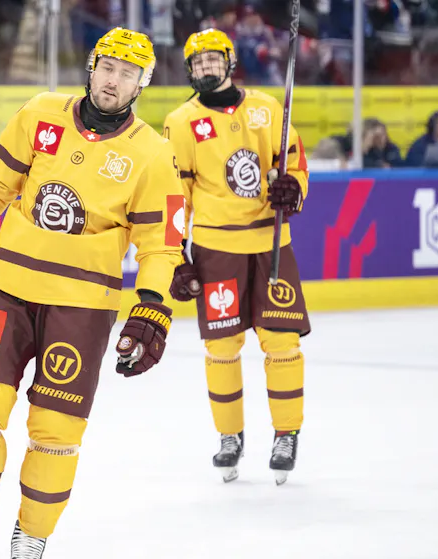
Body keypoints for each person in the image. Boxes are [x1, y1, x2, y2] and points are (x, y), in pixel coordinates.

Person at [0, 27, 183, 559]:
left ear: (142, 85)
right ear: (91, 68)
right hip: (7, 288)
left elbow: (160, 246)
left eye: (128, 74)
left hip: (82, 306)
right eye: (108, 68)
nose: (114, 82)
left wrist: (152, 308)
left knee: (55, 429)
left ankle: (31, 535)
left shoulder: (154, 155)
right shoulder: (41, 112)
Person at [161, 28, 310, 486]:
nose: (205, 68)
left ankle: (286, 433)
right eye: (197, 62)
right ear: (190, 70)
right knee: (222, 350)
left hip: (270, 244)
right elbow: (172, 195)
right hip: (215, 248)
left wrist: (293, 190)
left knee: (282, 345)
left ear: (229, 62)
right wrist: (174, 257)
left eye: (212, 60)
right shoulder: (180, 122)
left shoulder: (268, 108)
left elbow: (295, 164)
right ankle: (230, 437)